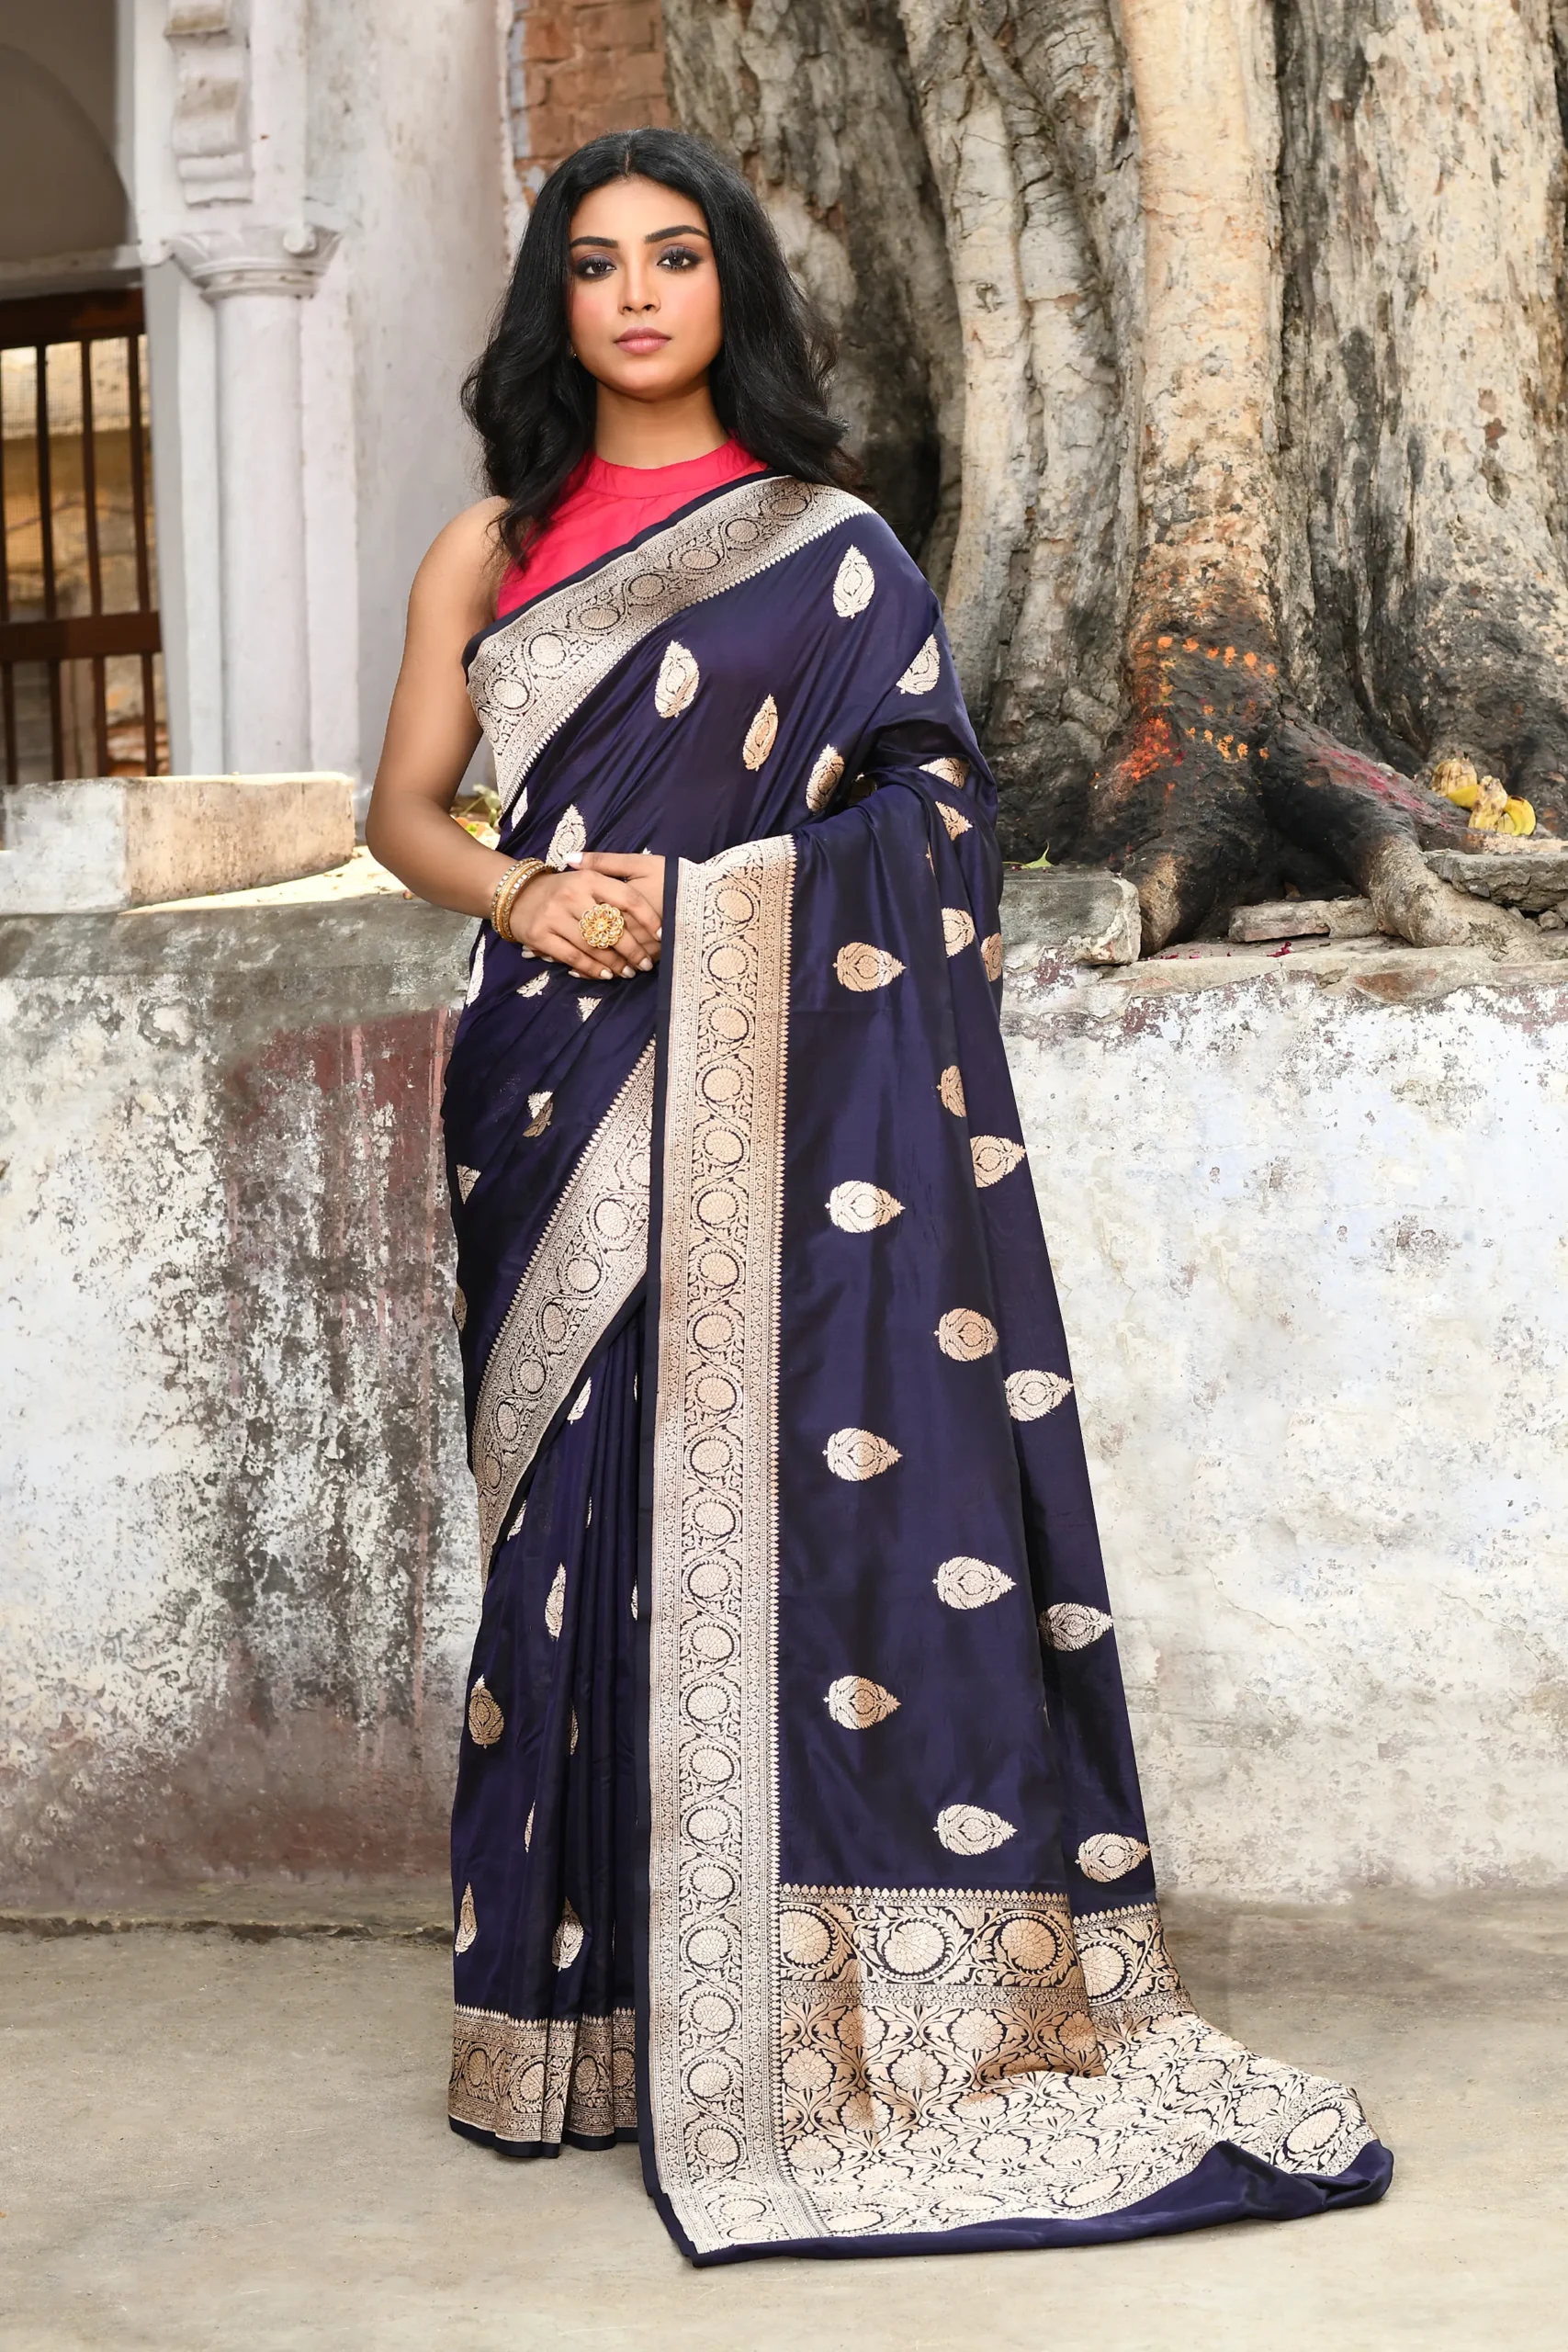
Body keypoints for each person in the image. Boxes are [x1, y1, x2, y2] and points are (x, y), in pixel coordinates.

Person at [366, 126, 1392, 2266]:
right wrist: (525, 892)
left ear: (728, 284)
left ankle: (790, 2001)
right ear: (553, 303)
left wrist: (717, 899)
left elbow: (933, 817)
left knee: (769, 1507)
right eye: (593, 264)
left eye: (672, 257)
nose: (634, 295)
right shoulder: (489, 545)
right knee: (569, 1528)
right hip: (549, 1069)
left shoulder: (832, 549)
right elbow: (406, 815)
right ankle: (571, 2020)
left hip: (760, 1063)